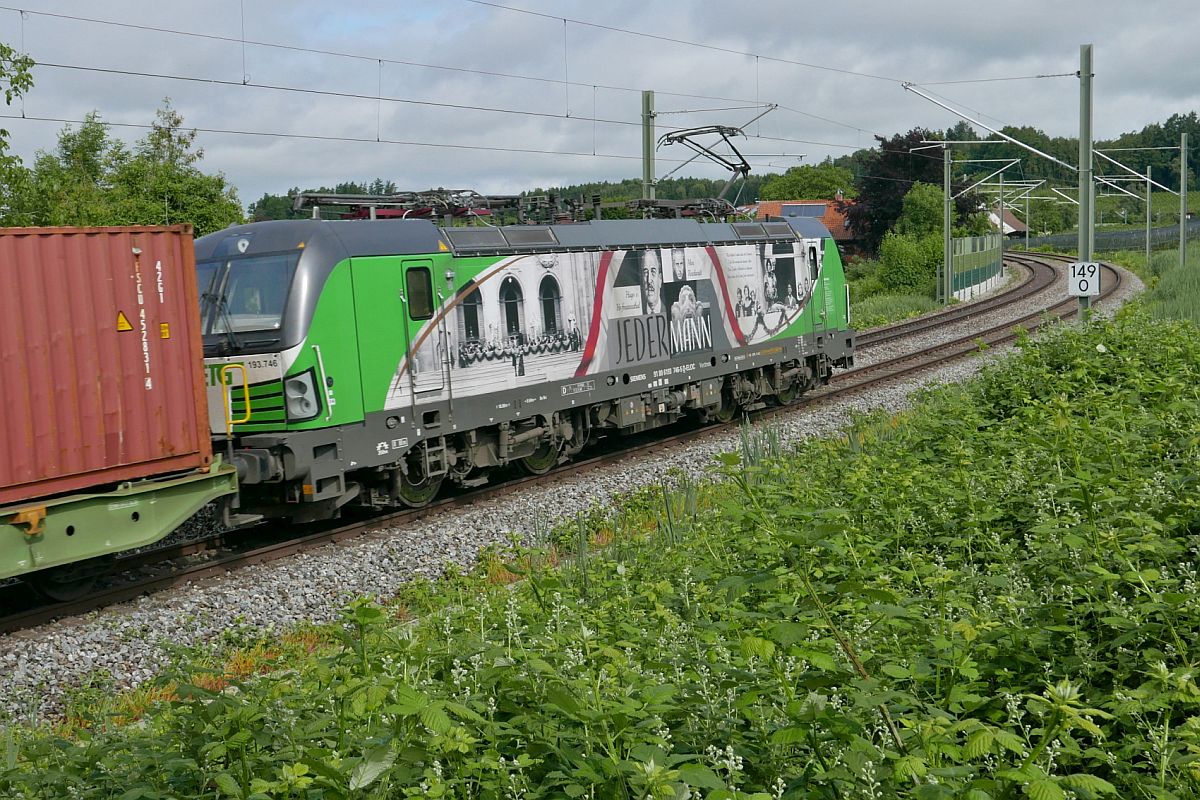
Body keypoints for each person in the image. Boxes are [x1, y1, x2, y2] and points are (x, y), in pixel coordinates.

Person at [642, 250, 664, 314]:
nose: (649, 280)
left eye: (653, 272)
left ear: (660, 279)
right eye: (645, 273)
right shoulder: (638, 313)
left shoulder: (669, 310)